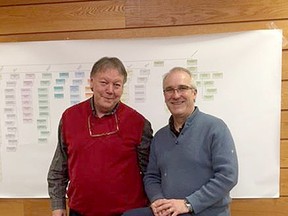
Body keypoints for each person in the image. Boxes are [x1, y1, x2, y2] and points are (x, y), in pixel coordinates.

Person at [123, 67, 238, 216]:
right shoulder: (160, 137)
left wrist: (188, 204)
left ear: (194, 93)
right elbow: (151, 176)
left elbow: (228, 176)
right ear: (164, 96)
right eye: (169, 90)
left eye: (182, 88)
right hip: (169, 212)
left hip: (206, 212)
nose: (176, 95)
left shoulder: (215, 128)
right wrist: (158, 201)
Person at [47, 57, 153, 216]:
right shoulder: (70, 118)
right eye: (104, 83)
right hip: (80, 212)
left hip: (127, 213)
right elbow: (59, 167)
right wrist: (57, 205)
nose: (110, 90)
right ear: (91, 83)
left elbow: (150, 173)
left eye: (117, 85)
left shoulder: (138, 123)